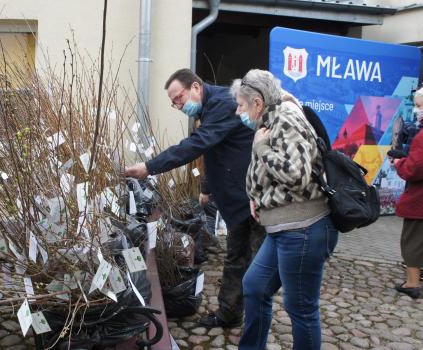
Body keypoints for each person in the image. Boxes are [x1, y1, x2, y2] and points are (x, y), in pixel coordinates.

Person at [124, 68, 265, 328]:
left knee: (258, 268)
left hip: (253, 201)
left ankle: (255, 325)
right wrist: (206, 189)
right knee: (236, 258)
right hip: (236, 201)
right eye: (173, 102)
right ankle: (229, 315)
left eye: (179, 98)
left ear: (196, 87)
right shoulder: (209, 109)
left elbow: (196, 145)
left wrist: (149, 167)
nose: (177, 105)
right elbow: (217, 150)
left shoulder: (223, 104)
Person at [232, 69, 338, 350]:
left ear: (257, 102)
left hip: (303, 228)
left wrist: (263, 148)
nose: (237, 112)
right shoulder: (269, 119)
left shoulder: (286, 119)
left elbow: (296, 175)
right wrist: (258, 196)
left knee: (301, 308)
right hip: (283, 228)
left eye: (241, 105)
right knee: (255, 286)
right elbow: (270, 174)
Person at [390, 85, 423, 299]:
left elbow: (420, 168)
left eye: (418, 105)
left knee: (411, 240)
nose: (416, 109)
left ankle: (412, 284)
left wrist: (400, 164)